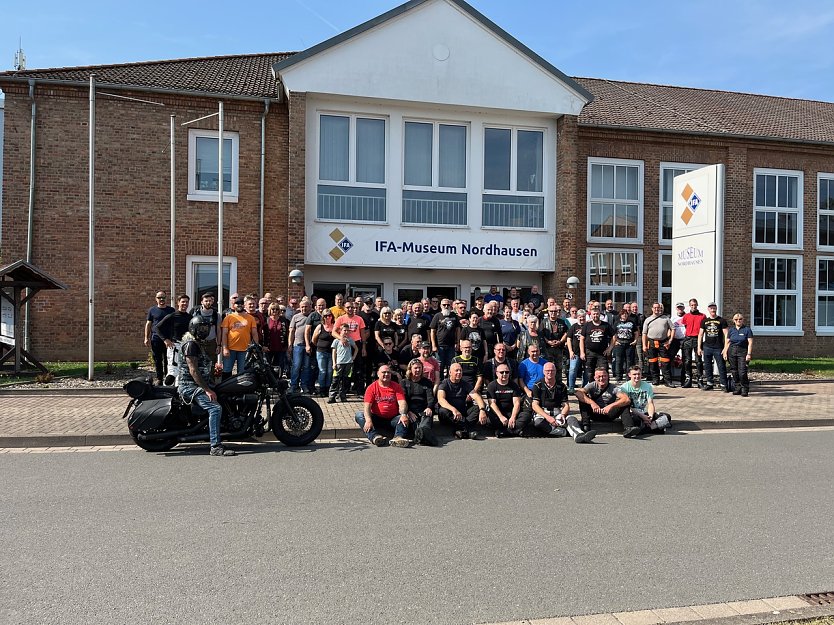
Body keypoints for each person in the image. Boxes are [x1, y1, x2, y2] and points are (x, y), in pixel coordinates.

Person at [179, 315, 235, 456]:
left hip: (196, 384)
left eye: (206, 328)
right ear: (193, 328)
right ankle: (215, 446)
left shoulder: (196, 342)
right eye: (201, 328)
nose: (204, 330)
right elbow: (193, 370)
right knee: (215, 408)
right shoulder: (190, 344)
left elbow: (201, 367)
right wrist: (207, 389)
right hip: (189, 386)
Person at [527, 362, 596, 442]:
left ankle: (580, 435)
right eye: (547, 371)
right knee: (538, 423)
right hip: (543, 413)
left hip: (557, 413)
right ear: (543, 372)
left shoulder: (561, 386)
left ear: (555, 371)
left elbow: (566, 405)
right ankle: (565, 432)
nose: (550, 373)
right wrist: (548, 417)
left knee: (571, 418)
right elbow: (535, 405)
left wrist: (563, 415)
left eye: (552, 370)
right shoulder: (537, 385)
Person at [354, 364, 410, 447]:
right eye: (384, 372)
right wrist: (369, 420)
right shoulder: (371, 388)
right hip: (376, 419)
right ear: (378, 374)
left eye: (388, 372)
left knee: (404, 418)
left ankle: (398, 438)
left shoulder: (396, 386)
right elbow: (367, 407)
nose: (386, 374)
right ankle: (375, 437)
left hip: (393, 419)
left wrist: (403, 414)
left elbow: (402, 403)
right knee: (359, 415)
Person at [436, 362, 488, 440]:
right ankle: (466, 430)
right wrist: (454, 410)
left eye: (460, 370)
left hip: (462, 412)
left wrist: (482, 410)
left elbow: (476, 397)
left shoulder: (465, 384)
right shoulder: (444, 384)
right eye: (456, 370)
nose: (459, 372)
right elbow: (441, 400)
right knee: (442, 411)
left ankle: (460, 430)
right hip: (450, 413)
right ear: (450, 372)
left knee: (477, 408)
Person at [619, 365, 671, 437]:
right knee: (635, 420)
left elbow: (650, 403)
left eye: (639, 374)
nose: (637, 376)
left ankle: (645, 429)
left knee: (667, 417)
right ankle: (655, 428)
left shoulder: (647, 386)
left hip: (644, 413)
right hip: (633, 413)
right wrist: (642, 417)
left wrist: (650, 417)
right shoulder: (624, 387)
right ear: (629, 375)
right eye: (634, 374)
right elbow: (628, 407)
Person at [333, 300, 368, 396]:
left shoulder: (359, 319)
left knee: (358, 368)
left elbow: (363, 334)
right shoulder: (340, 319)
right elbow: (333, 332)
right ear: (344, 308)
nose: (350, 309)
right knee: (345, 369)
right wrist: (341, 339)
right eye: (348, 307)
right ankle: (344, 390)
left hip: (357, 344)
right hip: (344, 345)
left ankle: (360, 391)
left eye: (352, 307)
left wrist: (364, 347)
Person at [400, 359, 438, 446]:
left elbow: (431, 398)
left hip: (424, 410)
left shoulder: (427, 382)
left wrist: (429, 407)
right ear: (410, 369)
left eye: (419, 368)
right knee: (416, 424)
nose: (418, 370)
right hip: (411, 411)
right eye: (415, 368)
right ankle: (426, 437)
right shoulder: (404, 382)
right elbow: (403, 400)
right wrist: (408, 412)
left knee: (427, 418)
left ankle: (421, 435)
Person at [220, 296, 258, 380]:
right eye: (237, 304)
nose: (239, 305)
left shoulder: (250, 318)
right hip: (230, 349)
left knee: (242, 372)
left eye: (241, 303)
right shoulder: (228, 318)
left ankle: (240, 392)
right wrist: (225, 348)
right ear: (233, 305)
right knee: (227, 370)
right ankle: (225, 391)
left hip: (245, 350)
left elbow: (254, 334)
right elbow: (224, 334)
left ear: (244, 305)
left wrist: (255, 347)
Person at [486, 362, 525, 437]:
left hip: (511, 412)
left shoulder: (514, 385)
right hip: (498, 413)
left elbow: (517, 403)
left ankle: (503, 431)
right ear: (497, 373)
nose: (504, 374)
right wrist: (501, 417)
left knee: (526, 416)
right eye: (502, 372)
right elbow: (492, 404)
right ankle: (515, 431)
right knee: (489, 421)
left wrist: (513, 417)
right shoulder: (491, 385)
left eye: (507, 372)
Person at [642, 302, 676, 387]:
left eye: (658, 308)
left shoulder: (666, 318)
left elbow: (673, 329)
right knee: (653, 362)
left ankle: (667, 381)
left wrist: (670, 340)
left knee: (665, 362)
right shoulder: (648, 320)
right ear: (652, 309)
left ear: (660, 308)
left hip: (663, 342)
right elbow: (644, 334)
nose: (657, 309)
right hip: (651, 342)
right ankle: (655, 379)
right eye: (655, 308)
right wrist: (644, 345)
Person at [698, 303, 729, 392]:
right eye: (711, 308)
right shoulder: (704, 321)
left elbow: (726, 334)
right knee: (707, 366)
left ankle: (723, 384)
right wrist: (699, 348)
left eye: (714, 308)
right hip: (707, 347)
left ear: (716, 309)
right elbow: (700, 334)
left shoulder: (722, 320)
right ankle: (709, 383)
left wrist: (725, 348)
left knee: (721, 366)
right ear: (708, 309)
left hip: (718, 347)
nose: (713, 310)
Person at [144, 291, 174, 385]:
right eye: (159, 297)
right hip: (156, 339)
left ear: (166, 298)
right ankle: (159, 378)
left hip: (168, 340)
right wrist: (146, 337)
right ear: (156, 299)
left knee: (168, 359)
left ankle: (168, 379)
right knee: (157, 359)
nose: (161, 299)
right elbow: (148, 324)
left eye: (163, 297)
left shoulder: (171, 310)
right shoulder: (152, 310)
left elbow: (174, 324)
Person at [724, 313, 753, 397]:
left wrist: (749, 354)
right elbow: (727, 342)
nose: (738, 321)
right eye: (736, 319)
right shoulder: (731, 330)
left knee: (742, 371)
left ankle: (745, 388)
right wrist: (725, 352)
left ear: (743, 320)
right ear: (733, 321)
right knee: (734, 370)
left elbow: (750, 343)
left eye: (740, 319)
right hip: (732, 351)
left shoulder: (747, 330)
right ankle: (737, 387)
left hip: (742, 351)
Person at [287, 299, 313, 394]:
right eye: (302, 306)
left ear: (310, 307)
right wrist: (290, 345)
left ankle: (304, 385)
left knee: (306, 367)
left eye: (306, 306)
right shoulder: (295, 317)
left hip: (308, 346)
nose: (304, 308)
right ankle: (293, 385)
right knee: (296, 366)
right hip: (297, 345)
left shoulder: (312, 316)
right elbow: (291, 331)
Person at [579, 307, 615, 376]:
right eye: (594, 314)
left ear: (600, 315)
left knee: (604, 372)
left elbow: (614, 336)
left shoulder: (606, 325)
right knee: (589, 373)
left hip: (602, 353)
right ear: (591, 315)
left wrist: (609, 348)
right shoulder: (587, 325)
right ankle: (591, 386)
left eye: (597, 314)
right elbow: (582, 339)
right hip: (589, 353)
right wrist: (582, 352)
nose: (595, 316)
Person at [429, 298, 460, 378]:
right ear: (440, 306)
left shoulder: (454, 316)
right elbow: (432, 331)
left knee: (451, 365)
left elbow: (458, 330)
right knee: (440, 366)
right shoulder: (437, 316)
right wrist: (433, 345)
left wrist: (458, 342)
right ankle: (441, 383)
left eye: (448, 305)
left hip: (451, 345)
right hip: (440, 346)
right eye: (444, 305)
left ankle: (450, 382)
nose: (446, 306)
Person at [680, 299, 706, 388]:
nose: (693, 306)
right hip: (688, 339)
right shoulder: (686, 316)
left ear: (697, 305)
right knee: (687, 361)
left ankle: (700, 380)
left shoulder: (702, 316)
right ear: (689, 306)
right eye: (691, 305)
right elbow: (685, 326)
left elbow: (703, 329)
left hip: (697, 339)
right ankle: (688, 379)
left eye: (695, 305)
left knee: (698, 361)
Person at [329, 324, 358, 403]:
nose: (346, 332)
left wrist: (353, 358)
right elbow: (334, 353)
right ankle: (332, 396)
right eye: (344, 330)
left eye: (347, 330)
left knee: (345, 380)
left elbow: (356, 348)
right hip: (339, 363)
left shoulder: (350, 340)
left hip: (348, 363)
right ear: (340, 331)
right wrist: (334, 363)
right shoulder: (336, 341)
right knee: (336, 380)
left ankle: (343, 396)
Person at [312, 309, 336, 397]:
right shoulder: (320, 326)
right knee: (322, 371)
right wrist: (319, 345)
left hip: (331, 352)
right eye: (325, 316)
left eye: (329, 315)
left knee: (330, 371)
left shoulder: (334, 326)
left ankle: (328, 388)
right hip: (321, 352)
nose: (328, 317)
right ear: (323, 317)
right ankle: (322, 389)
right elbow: (314, 339)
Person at [611, 308, 636, 382]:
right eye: (623, 314)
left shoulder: (631, 322)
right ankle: (619, 376)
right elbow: (614, 333)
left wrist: (635, 340)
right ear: (620, 315)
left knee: (629, 361)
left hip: (629, 343)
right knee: (619, 361)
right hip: (620, 343)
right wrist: (615, 342)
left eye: (626, 314)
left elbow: (636, 332)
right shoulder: (617, 323)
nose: (624, 315)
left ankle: (629, 377)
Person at [566, 309, 588, 392]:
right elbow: (568, 339)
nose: (582, 319)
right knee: (572, 370)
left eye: (583, 317)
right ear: (577, 317)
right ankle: (571, 387)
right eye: (580, 317)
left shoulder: (588, 326)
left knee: (586, 371)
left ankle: (584, 388)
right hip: (575, 353)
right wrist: (570, 351)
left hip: (587, 353)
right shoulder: (574, 326)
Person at [266, 302, 289, 373]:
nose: (275, 310)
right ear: (270, 310)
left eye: (277, 309)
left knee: (280, 365)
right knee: (268, 365)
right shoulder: (266, 320)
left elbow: (288, 333)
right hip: (269, 347)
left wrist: (288, 345)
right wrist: (264, 345)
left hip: (281, 347)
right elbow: (263, 333)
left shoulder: (284, 320)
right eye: (273, 309)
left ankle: (278, 380)